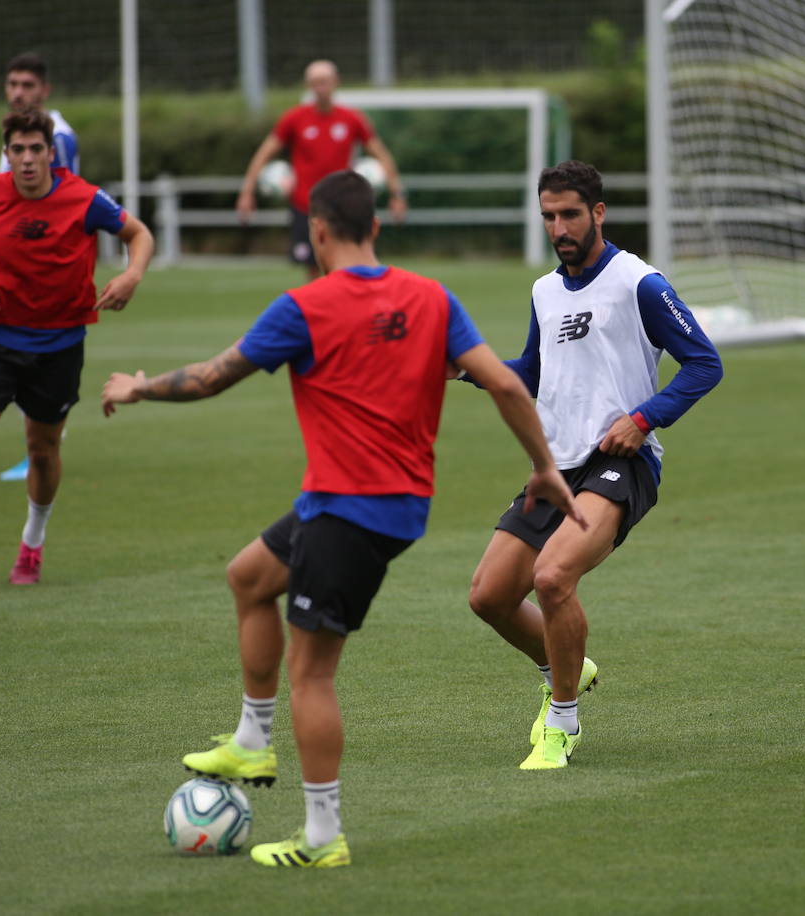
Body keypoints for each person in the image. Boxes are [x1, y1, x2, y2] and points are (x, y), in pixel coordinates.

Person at [101, 170, 582, 868]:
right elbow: (506, 382)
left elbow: (211, 377)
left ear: (317, 231)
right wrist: (542, 465)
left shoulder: (305, 306)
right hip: (372, 504)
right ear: (375, 228)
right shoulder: (431, 297)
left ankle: (322, 837)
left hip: (351, 511)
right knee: (248, 577)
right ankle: (251, 740)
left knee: (314, 676)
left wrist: (140, 386)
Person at [463, 160, 723, 770]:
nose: (559, 227)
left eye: (570, 214)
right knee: (489, 596)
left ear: (598, 213)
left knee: (553, 579)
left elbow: (704, 363)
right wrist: (465, 368)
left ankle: (562, 722)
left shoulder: (640, 284)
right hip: (557, 466)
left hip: (620, 462)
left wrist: (643, 419)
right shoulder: (544, 291)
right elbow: (532, 371)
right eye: (549, 216)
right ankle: (566, 666)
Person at [0, 110, 153, 587]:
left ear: (52, 153)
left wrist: (131, 275)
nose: (29, 159)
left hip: (59, 346)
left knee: (42, 450)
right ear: (7, 154)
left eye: (37, 149)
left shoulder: (83, 197)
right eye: (19, 150)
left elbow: (139, 234)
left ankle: (31, 546)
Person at [0, 53, 81, 484]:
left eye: (27, 85)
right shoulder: (17, 135)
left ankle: (41, 450)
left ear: (44, 90)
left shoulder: (55, 137)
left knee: (35, 357)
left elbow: (61, 202)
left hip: (41, 274)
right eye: (13, 84)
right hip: (10, 271)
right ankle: (37, 446)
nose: (18, 92)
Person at [235, 59, 406, 279]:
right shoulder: (294, 119)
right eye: (315, 82)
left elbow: (381, 155)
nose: (320, 88)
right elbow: (264, 153)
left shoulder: (351, 118)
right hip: (306, 206)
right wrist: (247, 192)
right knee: (313, 268)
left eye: (324, 82)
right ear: (308, 85)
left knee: (348, 265)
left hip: (342, 207)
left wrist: (397, 194)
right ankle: (319, 311)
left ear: (336, 82)